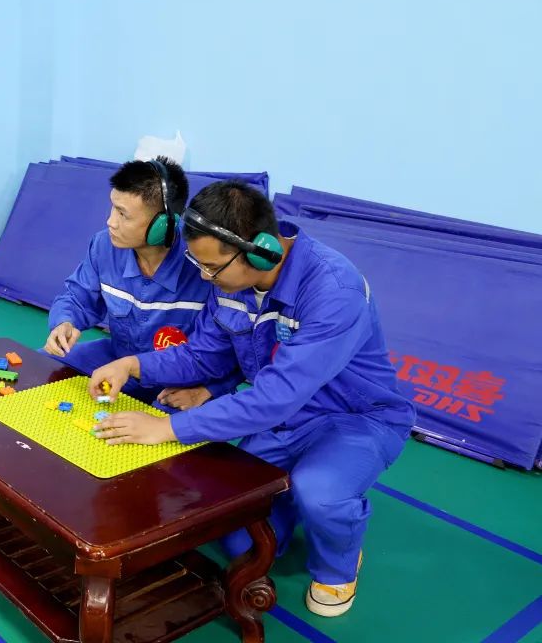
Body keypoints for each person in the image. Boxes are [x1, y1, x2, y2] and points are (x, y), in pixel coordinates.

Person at [89, 180, 415, 617]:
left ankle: (339, 562)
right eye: (200, 265)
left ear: (261, 252)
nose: (205, 277)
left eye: (212, 268)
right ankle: (303, 498)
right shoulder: (231, 284)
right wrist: (132, 365)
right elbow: (203, 354)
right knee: (239, 540)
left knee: (319, 492)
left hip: (356, 419)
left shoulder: (335, 291)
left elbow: (274, 398)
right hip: (283, 422)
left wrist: (167, 428)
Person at [44, 157, 238, 407]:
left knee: (160, 427)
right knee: (44, 366)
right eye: (113, 207)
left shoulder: (205, 262)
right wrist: (65, 322)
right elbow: (77, 297)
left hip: (184, 377)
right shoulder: (103, 245)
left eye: (123, 214)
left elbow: (235, 342)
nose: (110, 222)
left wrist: (208, 389)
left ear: (162, 225)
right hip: (119, 359)